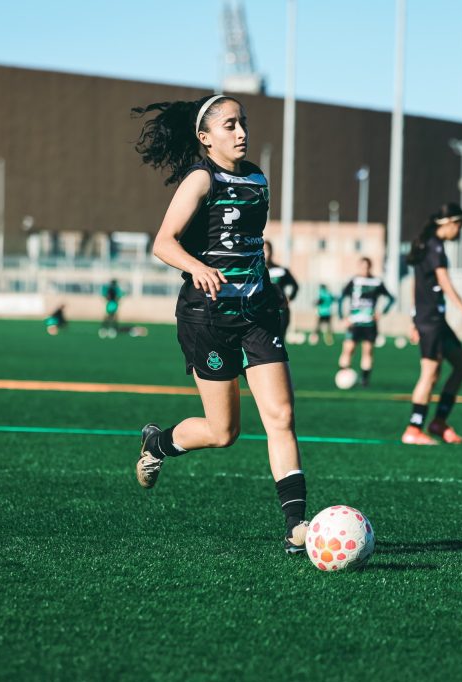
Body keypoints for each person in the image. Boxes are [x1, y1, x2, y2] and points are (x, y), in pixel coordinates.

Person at [131, 93, 310, 555]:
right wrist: (196, 266)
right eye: (230, 125)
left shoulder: (257, 178)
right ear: (205, 137)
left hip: (257, 313)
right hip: (207, 317)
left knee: (281, 416)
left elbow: (249, 244)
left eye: (243, 122)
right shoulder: (200, 178)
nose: (241, 132)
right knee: (223, 432)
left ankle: (296, 526)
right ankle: (158, 443)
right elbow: (163, 242)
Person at [402, 203, 462, 445]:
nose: (459, 231)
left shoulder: (428, 244)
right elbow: (444, 282)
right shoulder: (434, 246)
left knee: (461, 366)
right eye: (459, 226)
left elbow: (417, 285)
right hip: (431, 321)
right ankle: (413, 429)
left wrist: (414, 319)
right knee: (429, 374)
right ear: (450, 223)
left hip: (433, 320)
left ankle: (438, 422)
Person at [337, 257, 395, 387]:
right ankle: (343, 375)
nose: (364, 269)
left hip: (369, 323)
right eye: (362, 266)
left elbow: (391, 299)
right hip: (354, 323)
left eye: (366, 267)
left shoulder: (376, 282)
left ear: (370, 267)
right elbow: (341, 298)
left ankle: (364, 380)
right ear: (359, 267)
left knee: (367, 350)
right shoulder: (354, 281)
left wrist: (381, 312)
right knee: (348, 349)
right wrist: (342, 318)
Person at [263, 240, 299, 336]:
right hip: (261, 312)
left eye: (266, 249)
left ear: (271, 251)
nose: (264, 252)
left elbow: (295, 285)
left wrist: (289, 297)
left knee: (279, 340)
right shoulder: (253, 272)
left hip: (280, 311)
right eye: (261, 250)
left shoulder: (280, 270)